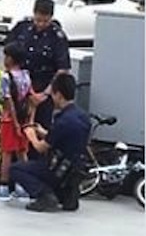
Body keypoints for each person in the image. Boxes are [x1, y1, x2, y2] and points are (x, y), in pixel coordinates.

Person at [9, 73, 91, 212]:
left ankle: (45, 195)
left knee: (16, 169)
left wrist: (31, 135)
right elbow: (65, 137)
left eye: (53, 95)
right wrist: (43, 132)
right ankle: (66, 194)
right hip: (75, 170)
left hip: (57, 169)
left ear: (58, 94)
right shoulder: (83, 117)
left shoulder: (62, 120)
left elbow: (41, 148)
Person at [4, 0, 71, 157]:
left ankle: (35, 166)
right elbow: (8, 53)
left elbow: (63, 69)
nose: (40, 24)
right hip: (20, 85)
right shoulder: (22, 28)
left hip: (43, 87)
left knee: (38, 128)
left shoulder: (57, 36)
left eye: (45, 21)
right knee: (15, 130)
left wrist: (45, 94)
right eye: (38, 20)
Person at [0, 42, 32, 201]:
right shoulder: (26, 75)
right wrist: (26, 121)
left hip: (9, 120)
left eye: (6, 56)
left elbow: (8, 101)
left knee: (6, 153)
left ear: (11, 59)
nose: (4, 59)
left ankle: (4, 186)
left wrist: (14, 122)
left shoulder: (6, 77)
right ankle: (23, 186)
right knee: (22, 152)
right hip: (24, 119)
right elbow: (30, 99)